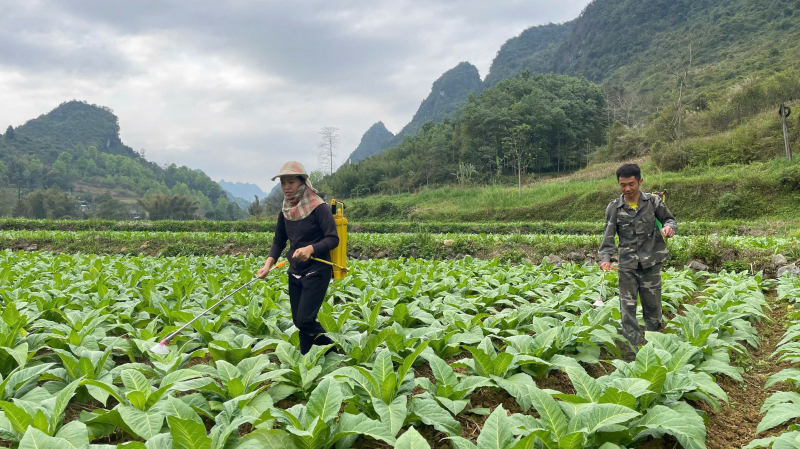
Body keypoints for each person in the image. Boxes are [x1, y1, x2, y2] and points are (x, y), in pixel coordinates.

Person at [257, 161, 339, 355]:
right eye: (283, 182)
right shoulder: (285, 210)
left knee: (304, 320)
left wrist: (311, 249)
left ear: (302, 182)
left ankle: (335, 351)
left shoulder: (319, 207)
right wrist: (268, 265)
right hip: (295, 272)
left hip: (317, 271)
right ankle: (306, 358)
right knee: (300, 322)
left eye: (291, 182)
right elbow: (279, 241)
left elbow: (333, 238)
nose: (286, 187)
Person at [599, 163, 677, 361]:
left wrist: (669, 228)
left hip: (651, 263)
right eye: (622, 185)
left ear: (640, 181)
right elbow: (608, 237)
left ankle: (655, 348)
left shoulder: (653, 202)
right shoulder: (614, 207)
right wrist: (606, 259)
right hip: (627, 266)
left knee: (653, 308)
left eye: (631, 184)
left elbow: (670, 220)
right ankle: (630, 353)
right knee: (627, 308)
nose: (627, 189)